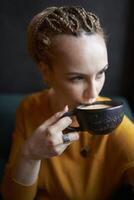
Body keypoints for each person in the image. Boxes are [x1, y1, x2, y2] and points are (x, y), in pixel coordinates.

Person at [1, 6, 134, 200]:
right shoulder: (29, 109)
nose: (93, 93)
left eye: (100, 73)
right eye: (77, 78)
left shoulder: (115, 124)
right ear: (46, 72)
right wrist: (29, 156)